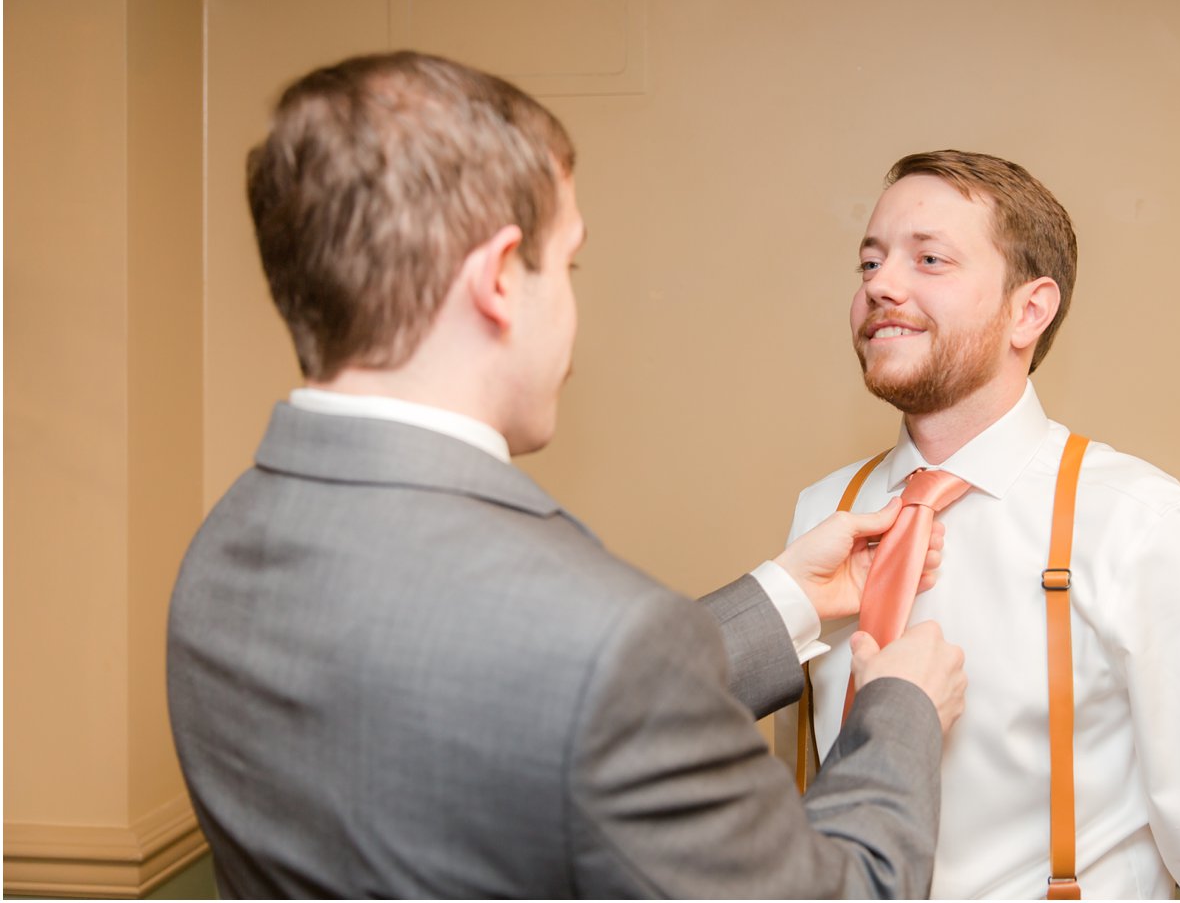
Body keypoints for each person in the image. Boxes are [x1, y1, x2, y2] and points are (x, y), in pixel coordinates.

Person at [166, 52, 969, 899]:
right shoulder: (598, 638)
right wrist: (899, 715)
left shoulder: (223, 550)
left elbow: (503, 705)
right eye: (568, 264)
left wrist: (786, 598)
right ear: (500, 280)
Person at [778, 151, 1180, 899]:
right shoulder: (824, 513)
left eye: (930, 258)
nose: (880, 284)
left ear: (1029, 310)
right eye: (870, 261)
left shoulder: (1146, 528)